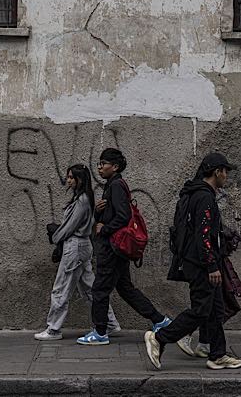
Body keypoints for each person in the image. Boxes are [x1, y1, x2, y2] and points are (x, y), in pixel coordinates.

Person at [144, 153, 241, 370]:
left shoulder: (194, 193)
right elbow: (204, 234)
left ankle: (217, 355)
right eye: (225, 171)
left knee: (215, 310)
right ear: (216, 171)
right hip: (201, 264)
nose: (226, 176)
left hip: (194, 260)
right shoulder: (205, 197)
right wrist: (211, 265)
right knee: (201, 309)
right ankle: (160, 338)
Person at [77, 148, 170, 346]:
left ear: (115, 166)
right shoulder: (112, 185)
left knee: (100, 289)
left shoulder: (116, 185)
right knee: (125, 288)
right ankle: (160, 320)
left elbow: (123, 216)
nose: (100, 167)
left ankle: (100, 332)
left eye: (104, 163)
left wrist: (104, 228)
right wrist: (99, 211)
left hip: (112, 247)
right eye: (99, 164)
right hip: (116, 247)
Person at [34, 164, 120, 341]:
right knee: (89, 289)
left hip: (75, 248)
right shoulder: (83, 199)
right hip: (81, 248)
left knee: (61, 288)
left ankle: (53, 329)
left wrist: (55, 236)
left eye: (72, 177)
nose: (69, 180)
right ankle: (109, 323)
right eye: (68, 177)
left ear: (80, 179)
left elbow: (69, 227)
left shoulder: (81, 201)